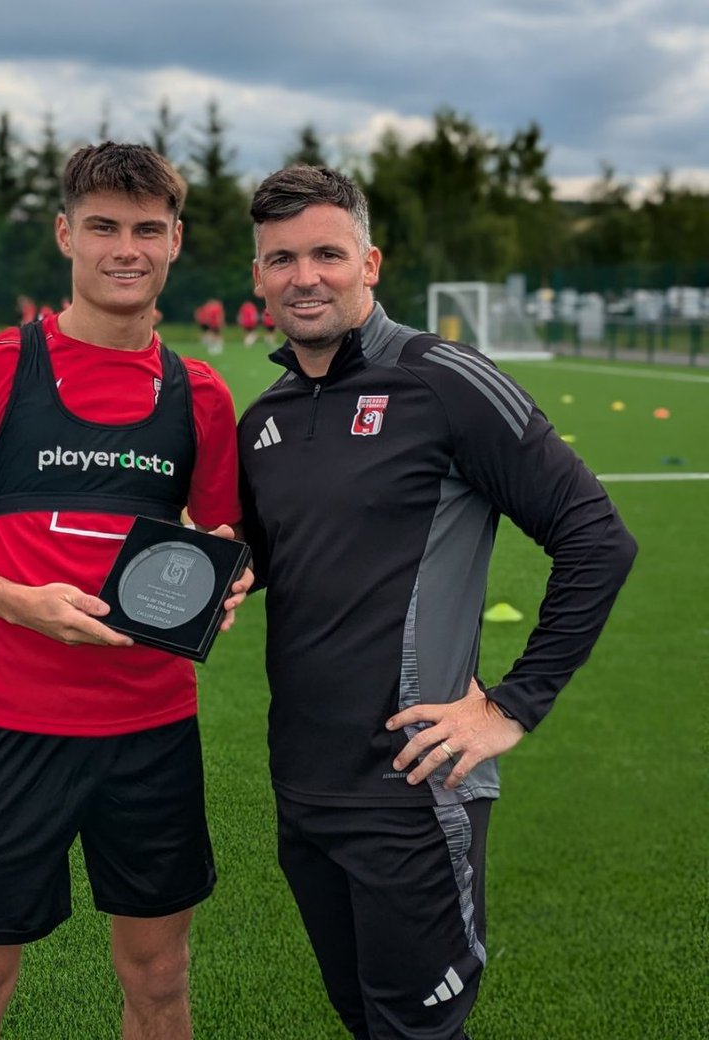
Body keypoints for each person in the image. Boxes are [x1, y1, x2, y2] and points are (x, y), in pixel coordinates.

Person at [237, 165, 637, 1040]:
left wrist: (510, 706)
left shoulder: (444, 379)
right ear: (258, 276)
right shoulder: (264, 417)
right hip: (304, 785)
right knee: (364, 1018)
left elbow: (597, 539)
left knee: (417, 1030)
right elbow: (278, 553)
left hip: (412, 790)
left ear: (370, 263)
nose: (306, 276)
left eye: (327, 254)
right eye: (282, 259)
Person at [0, 142, 251, 1040]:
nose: (127, 248)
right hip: (12, 731)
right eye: (104, 227)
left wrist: (224, 583)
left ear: (175, 241)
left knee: (159, 980)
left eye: (147, 230)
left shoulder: (199, 393)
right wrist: (17, 599)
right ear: (65, 235)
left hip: (153, 732)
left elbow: (226, 536)